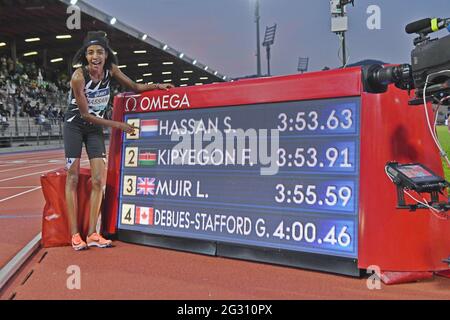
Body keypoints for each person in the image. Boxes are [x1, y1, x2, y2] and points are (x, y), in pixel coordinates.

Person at [65, 31, 174, 251]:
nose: (95, 56)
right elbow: (85, 115)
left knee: (98, 180)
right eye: (90, 52)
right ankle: (75, 234)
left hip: (94, 129)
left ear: (106, 55)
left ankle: (92, 234)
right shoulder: (78, 77)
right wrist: (118, 125)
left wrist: (157, 86)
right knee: (73, 177)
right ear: (85, 56)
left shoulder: (110, 71)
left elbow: (135, 87)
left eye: (100, 52)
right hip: (75, 125)